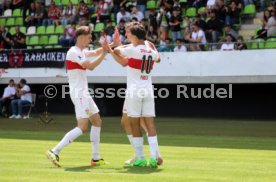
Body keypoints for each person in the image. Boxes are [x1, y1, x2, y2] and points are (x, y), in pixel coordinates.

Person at [46, 26, 108, 168]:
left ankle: (96, 158)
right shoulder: (74, 52)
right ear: (81, 37)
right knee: (83, 127)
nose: (91, 39)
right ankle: (54, 151)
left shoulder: (82, 51)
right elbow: (91, 66)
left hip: (83, 93)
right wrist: (105, 53)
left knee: (97, 121)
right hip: (79, 93)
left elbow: (98, 51)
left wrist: (110, 46)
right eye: (89, 36)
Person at [103, 23, 162, 168]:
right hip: (148, 89)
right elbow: (158, 58)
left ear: (135, 36)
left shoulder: (133, 49)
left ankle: (140, 158)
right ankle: (154, 157)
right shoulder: (150, 51)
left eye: (130, 34)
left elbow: (117, 52)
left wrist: (112, 47)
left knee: (134, 123)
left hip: (134, 91)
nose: (128, 36)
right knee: (150, 123)